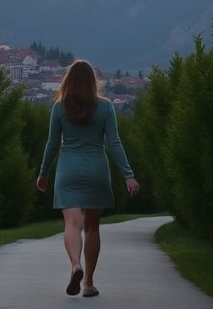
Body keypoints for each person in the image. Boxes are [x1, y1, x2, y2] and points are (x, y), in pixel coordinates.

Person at [36, 59, 140, 297]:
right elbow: (114, 143)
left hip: (68, 170)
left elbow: (52, 145)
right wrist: (128, 175)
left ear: (68, 81)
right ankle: (89, 283)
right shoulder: (106, 107)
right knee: (92, 228)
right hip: (97, 170)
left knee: (72, 223)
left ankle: (75, 265)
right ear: (93, 81)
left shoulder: (59, 107)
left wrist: (43, 173)